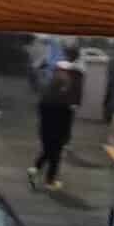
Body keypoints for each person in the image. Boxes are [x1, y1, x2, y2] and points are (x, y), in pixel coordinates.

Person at [28, 61, 77, 192]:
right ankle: (49, 181)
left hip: (45, 129)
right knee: (55, 156)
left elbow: (40, 111)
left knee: (47, 151)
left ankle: (35, 169)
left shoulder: (46, 95)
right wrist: (67, 136)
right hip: (59, 131)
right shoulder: (65, 100)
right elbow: (67, 120)